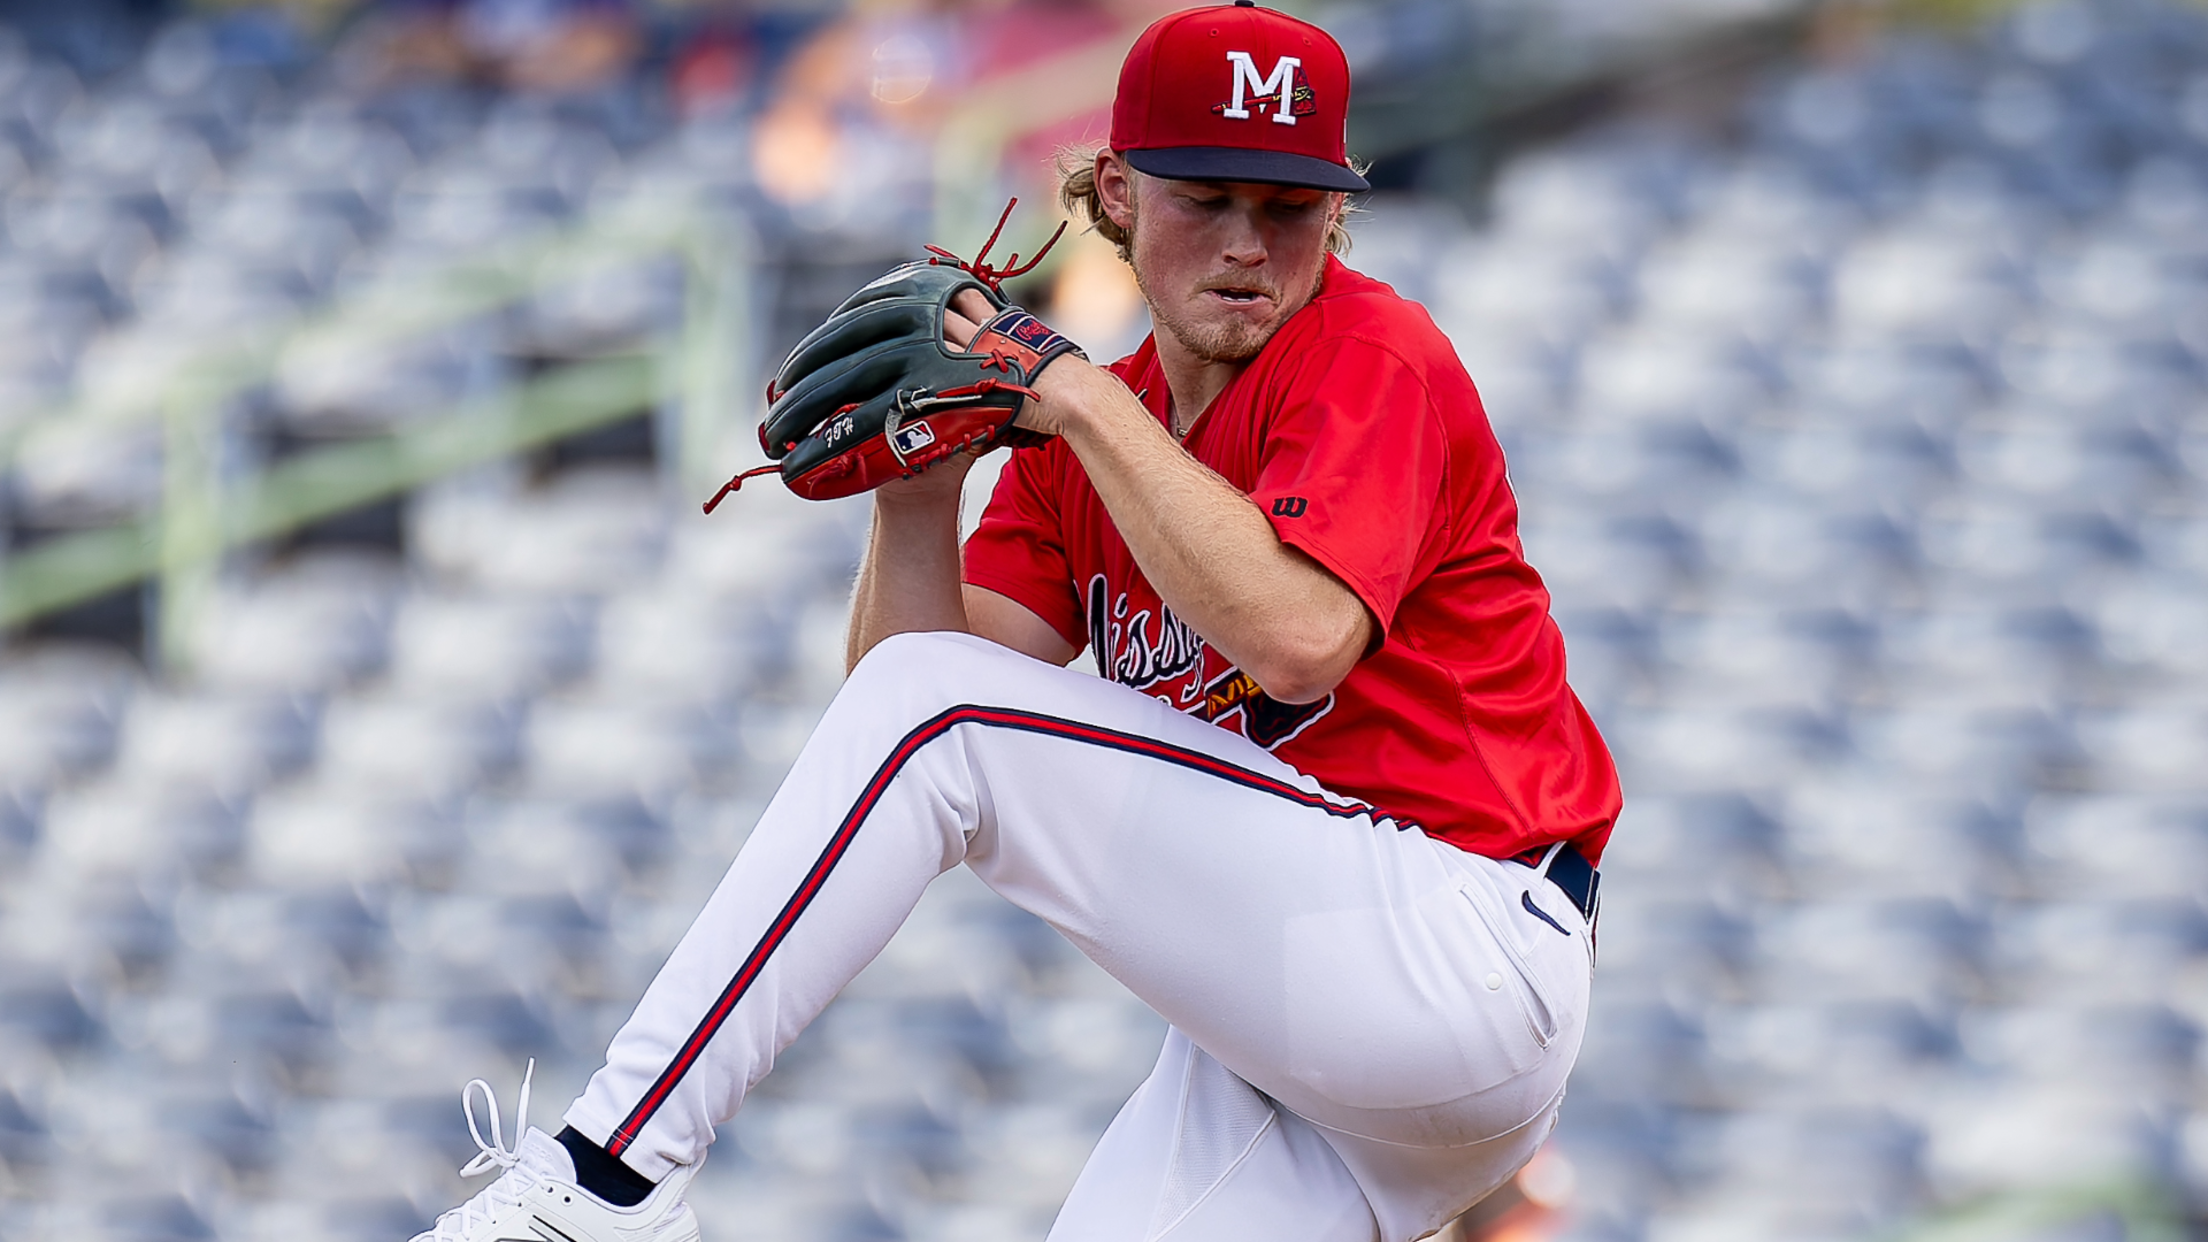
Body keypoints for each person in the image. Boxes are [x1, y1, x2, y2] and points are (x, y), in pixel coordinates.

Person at [409, 4, 1620, 1240]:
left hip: (1459, 943)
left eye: (1288, 205)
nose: (1248, 243)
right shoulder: (1094, 429)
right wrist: (917, 498)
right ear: (1118, 192)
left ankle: (608, 1178)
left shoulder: (1366, 352)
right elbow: (911, 707)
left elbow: (1298, 644)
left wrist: (1076, 398)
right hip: (1311, 1047)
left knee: (943, 715)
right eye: (1208, 197)